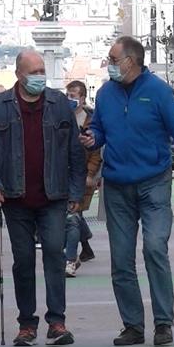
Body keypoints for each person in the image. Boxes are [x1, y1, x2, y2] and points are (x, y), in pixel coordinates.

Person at [80, 36, 174, 347]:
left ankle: (163, 323)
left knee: (154, 248)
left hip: (154, 182)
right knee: (121, 260)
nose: (108, 64)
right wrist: (92, 138)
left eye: (112, 58)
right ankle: (132, 325)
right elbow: (100, 129)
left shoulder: (159, 91)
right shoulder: (106, 93)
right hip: (117, 186)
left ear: (130, 62)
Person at [0, 49, 87, 347]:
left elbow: (74, 152)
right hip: (15, 198)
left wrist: (77, 192)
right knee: (23, 261)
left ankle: (57, 322)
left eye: (41, 71)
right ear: (18, 75)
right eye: (33, 72)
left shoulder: (58, 105)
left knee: (54, 253)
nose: (40, 76)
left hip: (53, 196)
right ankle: (27, 324)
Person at [64, 80, 102, 278]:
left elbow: (96, 152)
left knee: (73, 216)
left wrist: (90, 174)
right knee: (73, 216)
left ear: (82, 98)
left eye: (74, 96)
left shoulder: (90, 121)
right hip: (63, 175)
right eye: (68, 95)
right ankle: (85, 246)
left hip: (82, 175)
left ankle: (70, 259)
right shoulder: (61, 117)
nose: (70, 99)